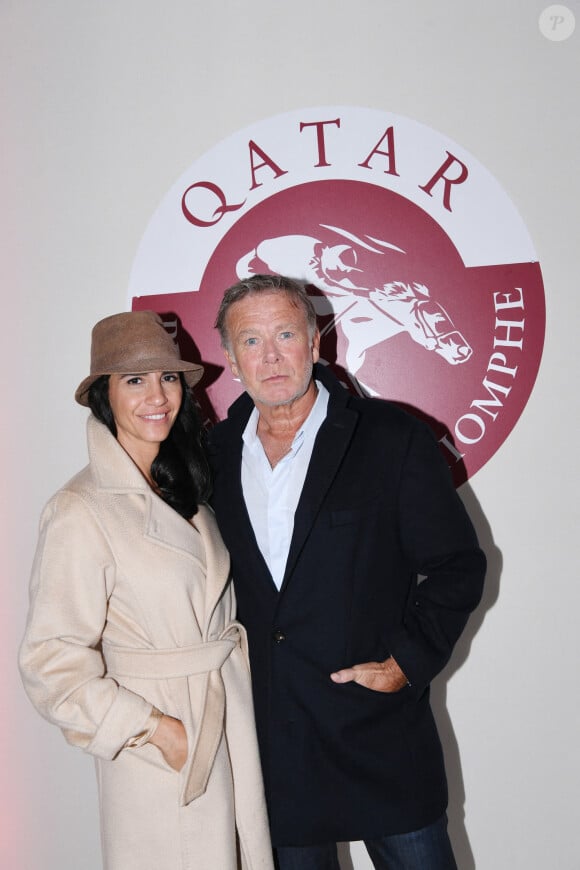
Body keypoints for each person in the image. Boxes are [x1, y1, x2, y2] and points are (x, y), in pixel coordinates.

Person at [208, 274, 487, 870]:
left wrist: (405, 664)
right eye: (251, 341)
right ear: (231, 359)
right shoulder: (212, 454)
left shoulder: (393, 438)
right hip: (273, 743)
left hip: (379, 733)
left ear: (316, 342)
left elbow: (457, 565)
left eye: (286, 333)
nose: (272, 355)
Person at [19, 310, 274, 870]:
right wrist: (156, 730)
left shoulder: (188, 492)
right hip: (159, 752)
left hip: (225, 727)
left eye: (167, 378)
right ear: (104, 398)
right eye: (134, 380)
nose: (157, 395)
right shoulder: (79, 509)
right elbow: (50, 662)